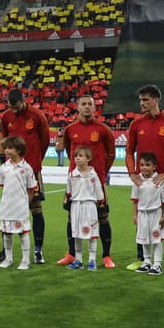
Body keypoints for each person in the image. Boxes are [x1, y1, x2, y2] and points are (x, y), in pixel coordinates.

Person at [124, 85, 164, 272]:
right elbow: (129, 151)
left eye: (145, 100)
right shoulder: (136, 124)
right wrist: (132, 172)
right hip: (143, 183)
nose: (142, 103)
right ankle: (142, 259)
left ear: (156, 100)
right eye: (140, 100)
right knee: (142, 218)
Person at [57, 95, 117, 269]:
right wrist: (77, 170)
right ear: (78, 107)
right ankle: (71, 254)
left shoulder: (103, 129)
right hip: (76, 181)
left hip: (95, 181)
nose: (86, 107)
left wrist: (101, 172)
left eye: (90, 104)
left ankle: (106, 256)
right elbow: (69, 151)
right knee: (72, 216)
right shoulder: (70, 129)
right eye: (83, 104)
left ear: (94, 107)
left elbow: (111, 153)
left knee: (102, 216)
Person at [0, 88, 51, 264]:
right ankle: (6, 252)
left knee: (36, 208)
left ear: (23, 100)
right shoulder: (6, 117)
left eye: (16, 106)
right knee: (9, 209)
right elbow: (5, 140)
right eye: (10, 106)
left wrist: (35, 162)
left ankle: (38, 250)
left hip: (31, 169)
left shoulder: (37, 116)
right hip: (12, 171)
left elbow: (45, 140)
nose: (13, 109)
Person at [0, 135, 38, 270]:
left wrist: (25, 204)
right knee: (7, 233)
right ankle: (8, 259)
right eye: (5, 148)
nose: (6, 150)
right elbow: (3, 187)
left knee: (23, 232)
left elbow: (31, 189)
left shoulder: (26, 168)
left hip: (20, 206)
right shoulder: (3, 167)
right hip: (6, 205)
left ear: (19, 150)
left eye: (10, 148)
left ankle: (25, 260)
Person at [64, 145, 105, 270]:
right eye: (76, 156)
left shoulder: (93, 175)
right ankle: (79, 260)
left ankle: (92, 260)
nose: (77, 158)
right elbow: (68, 192)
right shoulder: (72, 175)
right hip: (76, 206)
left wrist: (100, 204)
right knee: (77, 234)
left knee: (92, 234)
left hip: (90, 206)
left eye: (80, 156)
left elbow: (99, 194)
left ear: (88, 159)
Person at [130, 152, 164, 275]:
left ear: (154, 167)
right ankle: (146, 262)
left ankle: (157, 264)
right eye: (142, 165)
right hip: (142, 214)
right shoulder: (137, 181)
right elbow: (135, 200)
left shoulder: (159, 181)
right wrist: (135, 215)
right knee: (144, 239)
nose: (144, 168)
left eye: (148, 165)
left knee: (157, 239)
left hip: (156, 214)